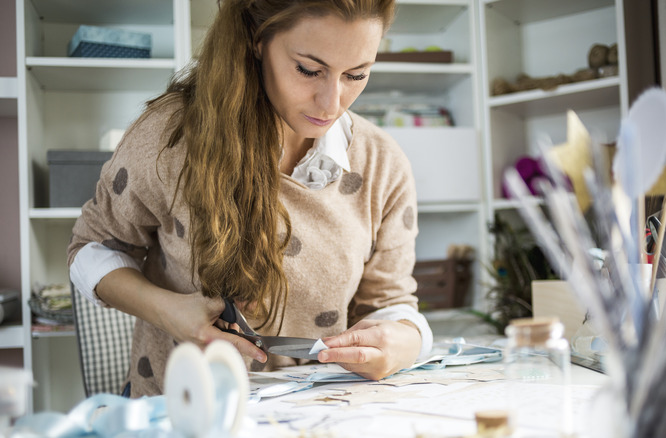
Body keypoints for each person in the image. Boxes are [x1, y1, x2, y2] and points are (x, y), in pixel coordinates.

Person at [68, 0, 432, 398]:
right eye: (309, 70)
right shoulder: (170, 137)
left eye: (357, 74)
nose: (332, 102)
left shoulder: (382, 163)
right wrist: (168, 311)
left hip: (319, 414)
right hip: (184, 409)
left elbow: (391, 303)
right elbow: (90, 249)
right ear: (257, 41)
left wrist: (406, 340)